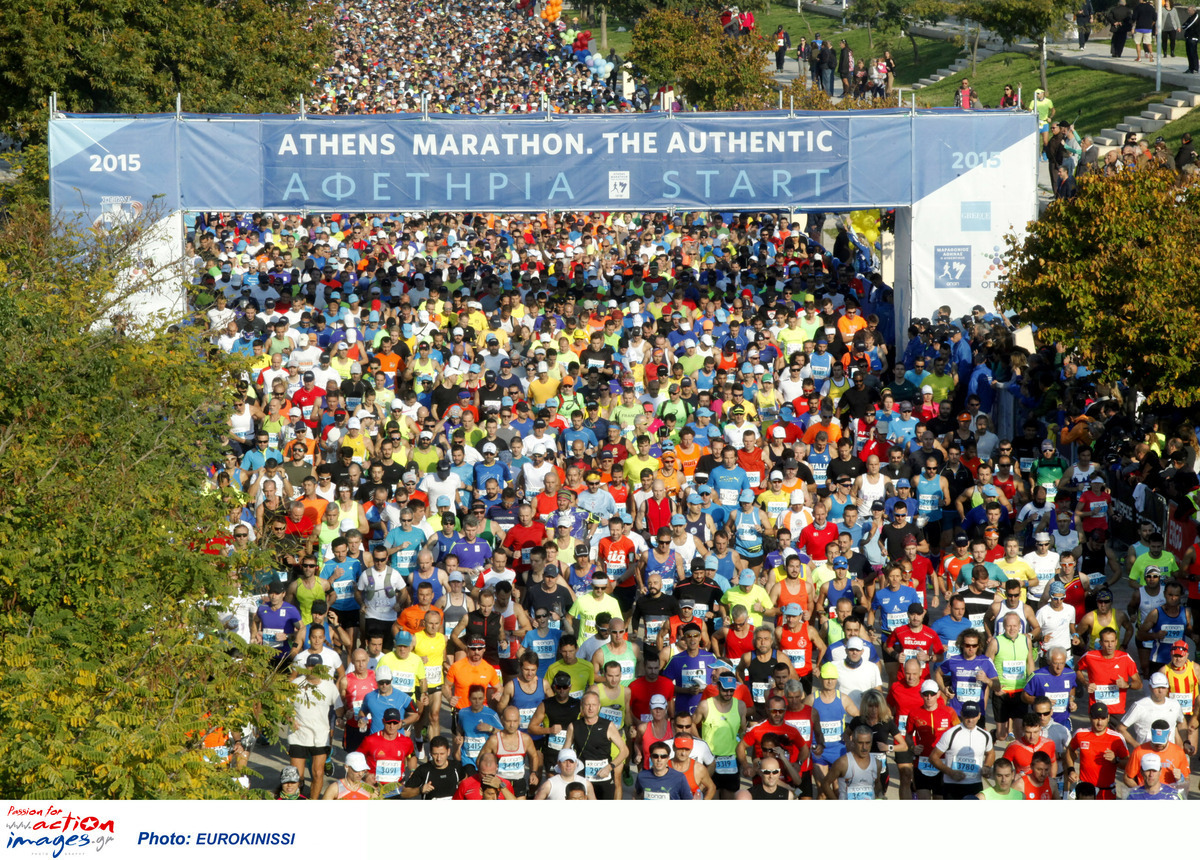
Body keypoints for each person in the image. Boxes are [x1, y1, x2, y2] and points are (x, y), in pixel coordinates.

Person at [929, 701, 995, 800]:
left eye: (973, 716)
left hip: (975, 784)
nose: (970, 720)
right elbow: (933, 757)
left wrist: (987, 766)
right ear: (962, 714)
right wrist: (950, 772)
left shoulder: (985, 735)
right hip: (952, 785)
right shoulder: (950, 733)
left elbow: (990, 753)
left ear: (979, 716)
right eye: (967, 716)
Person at [820, 724, 884, 799]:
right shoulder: (843, 763)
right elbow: (825, 783)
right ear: (853, 741)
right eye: (860, 743)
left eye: (867, 743)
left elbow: (877, 783)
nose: (864, 747)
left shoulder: (877, 763)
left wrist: (880, 797)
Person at [401, 735, 468, 800]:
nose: (439, 758)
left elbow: (465, 783)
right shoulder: (423, 770)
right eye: (435, 754)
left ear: (448, 752)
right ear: (430, 753)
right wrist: (420, 790)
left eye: (442, 754)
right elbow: (404, 793)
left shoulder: (456, 767)